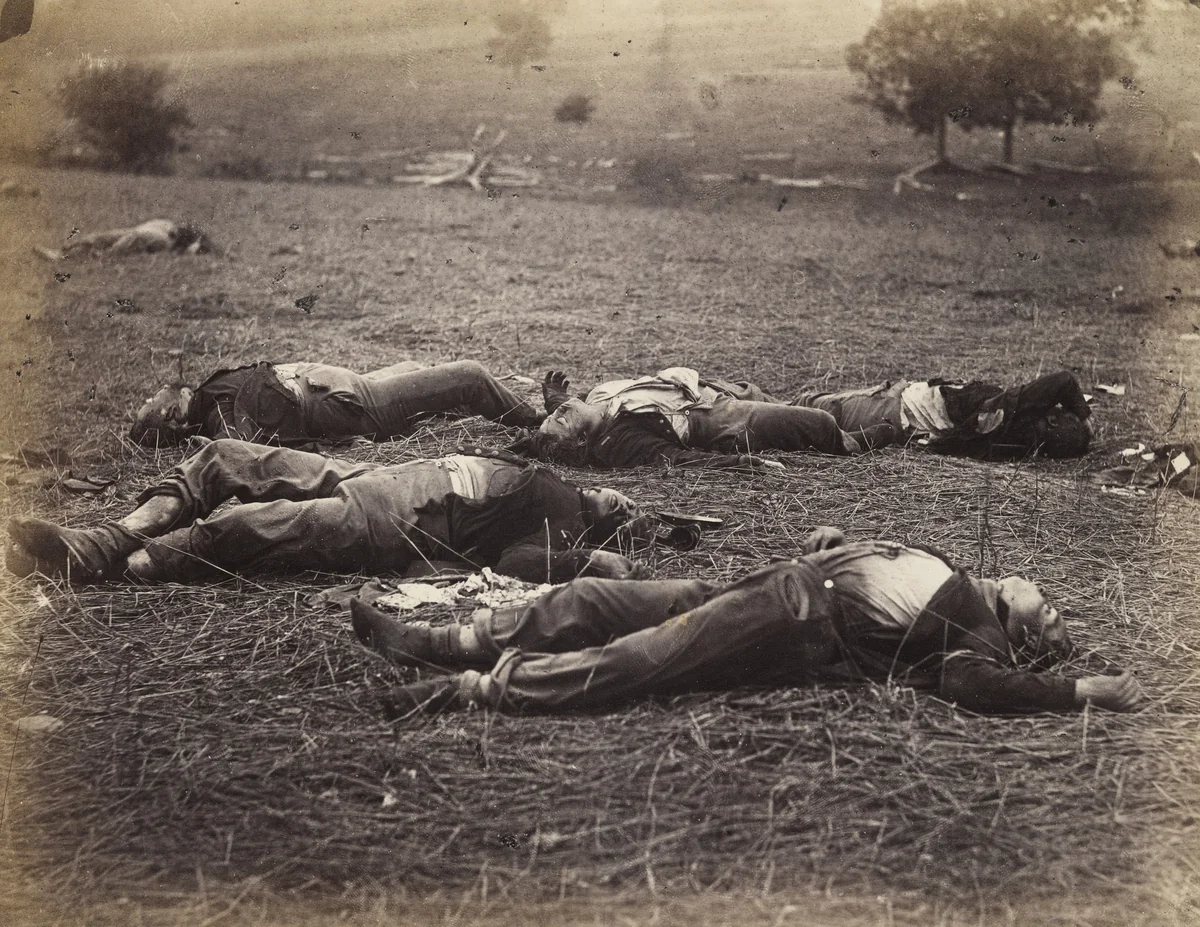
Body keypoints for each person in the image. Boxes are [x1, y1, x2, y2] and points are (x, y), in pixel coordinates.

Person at [358, 526, 1143, 718]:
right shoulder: (959, 574)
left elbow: (968, 681)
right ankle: (441, 639)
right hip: (781, 581)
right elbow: (886, 567)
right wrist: (845, 538)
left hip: (799, 618)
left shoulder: (981, 631)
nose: (1046, 590)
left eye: (1054, 611)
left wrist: (1077, 689)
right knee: (597, 601)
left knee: (649, 655)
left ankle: (471, 689)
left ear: (1028, 634)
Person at [5, 441, 650, 585]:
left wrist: (589, 556)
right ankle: (110, 534)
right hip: (386, 478)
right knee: (229, 457)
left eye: (624, 513)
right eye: (624, 499)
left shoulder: (562, 527)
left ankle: (108, 564)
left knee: (251, 527)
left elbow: (513, 562)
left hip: (400, 522)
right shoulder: (555, 478)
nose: (624, 503)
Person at [526, 368, 896, 469]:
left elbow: (568, 406)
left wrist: (555, 399)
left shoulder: (594, 400)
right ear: (581, 441)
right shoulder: (620, 440)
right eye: (561, 417)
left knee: (811, 404)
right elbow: (677, 460)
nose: (560, 410)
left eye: (556, 410)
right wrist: (741, 463)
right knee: (816, 422)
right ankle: (853, 443)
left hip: (717, 388)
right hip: (723, 417)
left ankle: (856, 411)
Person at [130, 359, 543, 448]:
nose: (153, 393)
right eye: (150, 402)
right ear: (172, 413)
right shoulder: (218, 415)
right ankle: (539, 422)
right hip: (349, 402)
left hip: (343, 389)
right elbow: (240, 450)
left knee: (416, 366)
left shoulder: (210, 397)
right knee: (469, 376)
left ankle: (499, 403)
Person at [791, 370, 1092, 459]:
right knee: (809, 413)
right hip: (899, 420)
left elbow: (1063, 380)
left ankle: (748, 400)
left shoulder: (1009, 408)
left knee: (808, 407)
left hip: (892, 407)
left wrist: (1083, 416)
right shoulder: (1017, 446)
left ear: (1052, 418)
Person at [34, 219, 217, 261]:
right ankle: (63, 252)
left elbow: (137, 236)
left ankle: (64, 254)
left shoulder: (165, 238)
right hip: (145, 232)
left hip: (145, 235)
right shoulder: (165, 228)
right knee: (101, 238)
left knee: (104, 242)